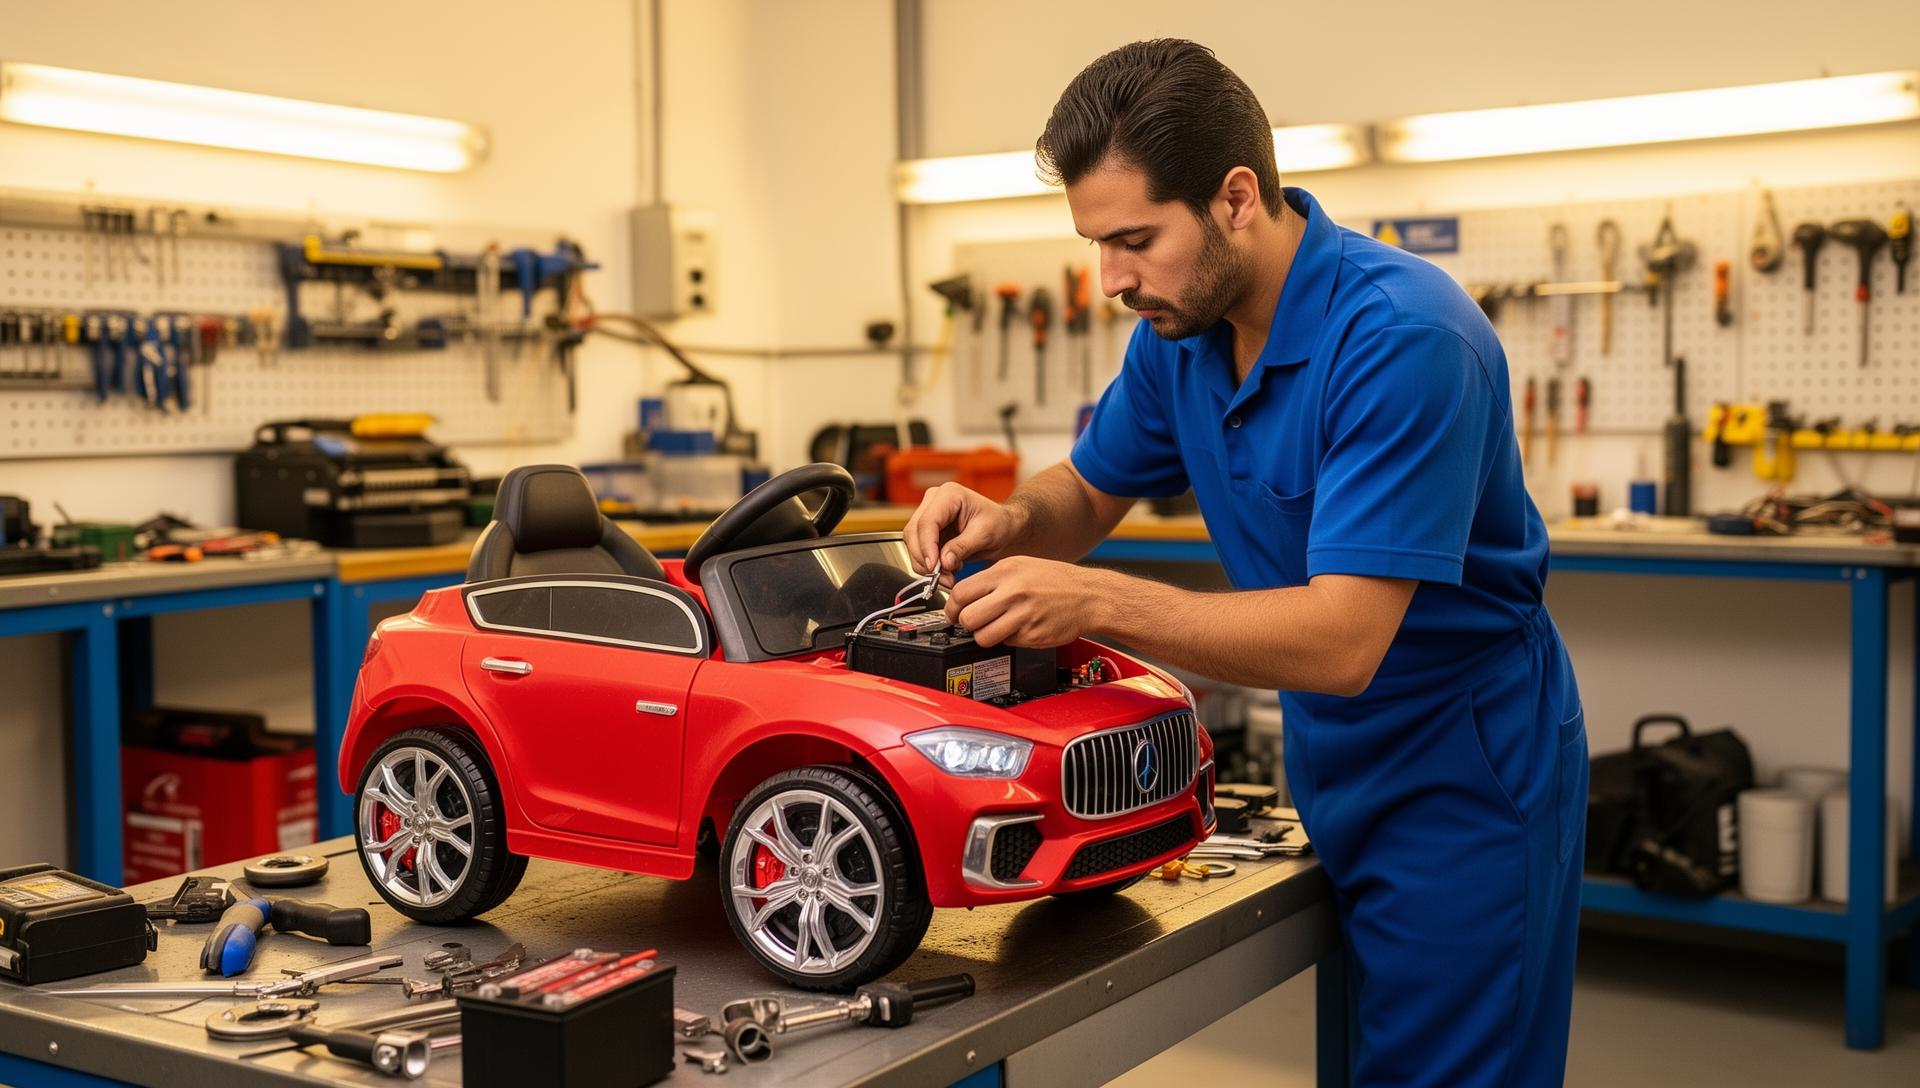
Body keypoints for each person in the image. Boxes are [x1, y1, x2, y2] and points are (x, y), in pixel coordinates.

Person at [904, 39, 1586, 1087]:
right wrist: (1008, 517)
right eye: (1097, 243)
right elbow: (1085, 492)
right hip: (1331, 753)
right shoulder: (1180, 333)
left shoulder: (1404, 338)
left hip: (1461, 770)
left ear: (1234, 198)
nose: (1111, 280)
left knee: (1452, 1068)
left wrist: (1089, 596)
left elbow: (1344, 639)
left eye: (1135, 240)